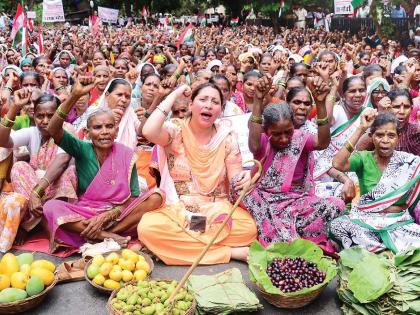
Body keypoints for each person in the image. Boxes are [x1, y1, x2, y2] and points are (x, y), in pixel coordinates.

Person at [138, 83, 257, 265]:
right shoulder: (175, 130)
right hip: (179, 210)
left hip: (216, 210)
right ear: (191, 105)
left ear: (220, 110)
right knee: (148, 228)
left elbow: (235, 180)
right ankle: (229, 252)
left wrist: (245, 180)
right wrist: (176, 92)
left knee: (248, 229)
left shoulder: (227, 137)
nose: (208, 105)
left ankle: (186, 245)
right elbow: (148, 131)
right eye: (202, 100)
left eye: (215, 102)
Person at [43, 77, 164, 252]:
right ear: (88, 132)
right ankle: (104, 237)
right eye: (98, 128)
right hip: (86, 213)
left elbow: (133, 197)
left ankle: (102, 233)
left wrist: (109, 215)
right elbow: (54, 129)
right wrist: (74, 96)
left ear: (116, 131)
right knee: (51, 206)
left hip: (118, 216)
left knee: (157, 197)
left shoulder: (127, 154)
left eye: (109, 126)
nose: (105, 132)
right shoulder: (82, 149)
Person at [242, 74, 344, 252]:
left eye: (287, 132)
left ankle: (300, 232)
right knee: (281, 238)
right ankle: (289, 235)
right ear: (266, 130)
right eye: (277, 134)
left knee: (335, 204)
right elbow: (253, 144)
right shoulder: (262, 141)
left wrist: (320, 104)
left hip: (297, 199)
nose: (283, 139)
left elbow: (323, 142)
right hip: (266, 200)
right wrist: (258, 100)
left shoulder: (301, 138)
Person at [330, 112, 420, 253]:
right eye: (379, 135)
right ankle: (388, 250)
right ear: (372, 137)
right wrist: (360, 129)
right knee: (338, 226)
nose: (385, 140)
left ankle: (379, 250)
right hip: (365, 220)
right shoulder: (363, 158)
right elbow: (337, 163)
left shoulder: (408, 162)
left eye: (391, 135)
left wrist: (392, 209)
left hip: (397, 222)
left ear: (398, 138)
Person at [0, 89, 78, 247]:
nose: (45, 120)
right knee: (19, 167)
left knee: (67, 172)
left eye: (51, 115)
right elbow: (3, 141)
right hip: (34, 193)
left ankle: (28, 225)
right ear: (33, 117)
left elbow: (62, 160)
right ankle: (43, 223)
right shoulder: (32, 132)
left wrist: (37, 192)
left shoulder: (67, 129)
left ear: (60, 115)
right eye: (40, 116)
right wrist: (14, 107)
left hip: (57, 188)